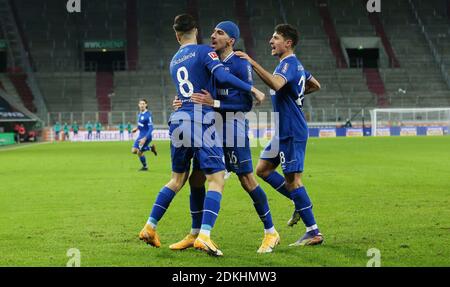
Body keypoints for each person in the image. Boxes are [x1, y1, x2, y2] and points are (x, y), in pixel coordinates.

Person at [138, 14, 265, 257]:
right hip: (200, 119)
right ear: (196, 31)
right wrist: (253, 89)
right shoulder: (204, 52)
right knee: (217, 179)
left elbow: (184, 92)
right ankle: (204, 236)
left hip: (178, 120)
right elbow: (223, 76)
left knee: (177, 180)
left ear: (176, 35)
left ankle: (150, 226)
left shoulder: (174, 60)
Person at [170, 21, 279, 253]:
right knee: (196, 178)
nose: (213, 35)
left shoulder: (239, 64)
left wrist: (215, 102)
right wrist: (181, 100)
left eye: (220, 33)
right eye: (213, 31)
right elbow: (193, 88)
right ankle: (195, 233)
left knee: (247, 180)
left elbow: (246, 103)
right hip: (207, 128)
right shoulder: (208, 60)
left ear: (231, 40)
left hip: (232, 128)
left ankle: (271, 232)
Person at [235, 24, 323, 246]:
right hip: (283, 130)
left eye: (275, 38)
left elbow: (275, 83)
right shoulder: (295, 66)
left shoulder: (288, 64)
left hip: (292, 130)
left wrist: (252, 62)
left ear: (288, 43)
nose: (271, 42)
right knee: (263, 170)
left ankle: (313, 232)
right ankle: (299, 203)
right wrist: (297, 95)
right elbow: (315, 84)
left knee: (294, 181)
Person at [131, 99, 157, 171]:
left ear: (146, 105)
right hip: (140, 135)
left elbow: (151, 128)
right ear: (138, 105)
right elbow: (141, 125)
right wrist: (136, 128)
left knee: (139, 152)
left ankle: (145, 167)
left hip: (146, 136)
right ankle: (150, 148)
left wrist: (145, 138)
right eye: (140, 104)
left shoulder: (148, 115)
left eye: (143, 104)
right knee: (133, 151)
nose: (142, 105)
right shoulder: (140, 114)